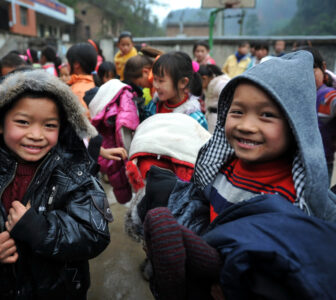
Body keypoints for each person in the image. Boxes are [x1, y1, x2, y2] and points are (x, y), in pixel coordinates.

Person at [140, 51, 336, 299]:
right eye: (237, 112)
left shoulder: (297, 195)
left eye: (266, 115)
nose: (246, 125)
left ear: (294, 125)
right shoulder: (222, 168)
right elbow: (199, 205)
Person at [0, 69, 112, 299]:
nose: (36, 134)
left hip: (61, 291)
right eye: (23, 122)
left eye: (49, 125)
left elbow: (95, 233)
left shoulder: (73, 172)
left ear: (63, 126)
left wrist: (40, 230)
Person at [144, 51, 208, 129]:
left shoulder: (194, 118)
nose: (155, 85)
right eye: (155, 79)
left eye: (161, 81)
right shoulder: (153, 106)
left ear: (183, 82)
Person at [301, 47, 336, 184]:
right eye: (301, 73)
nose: (306, 77)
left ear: (323, 67)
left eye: (312, 70)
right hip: (296, 161)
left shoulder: (328, 96)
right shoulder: (296, 97)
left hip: (322, 163)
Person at [66, 42, 97, 119]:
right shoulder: (95, 83)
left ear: (76, 64)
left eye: (68, 61)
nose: (66, 64)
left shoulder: (76, 91)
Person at [198, 64, 230, 133]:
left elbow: (229, 103)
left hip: (220, 119)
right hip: (211, 118)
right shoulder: (209, 85)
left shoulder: (221, 84)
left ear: (204, 78)